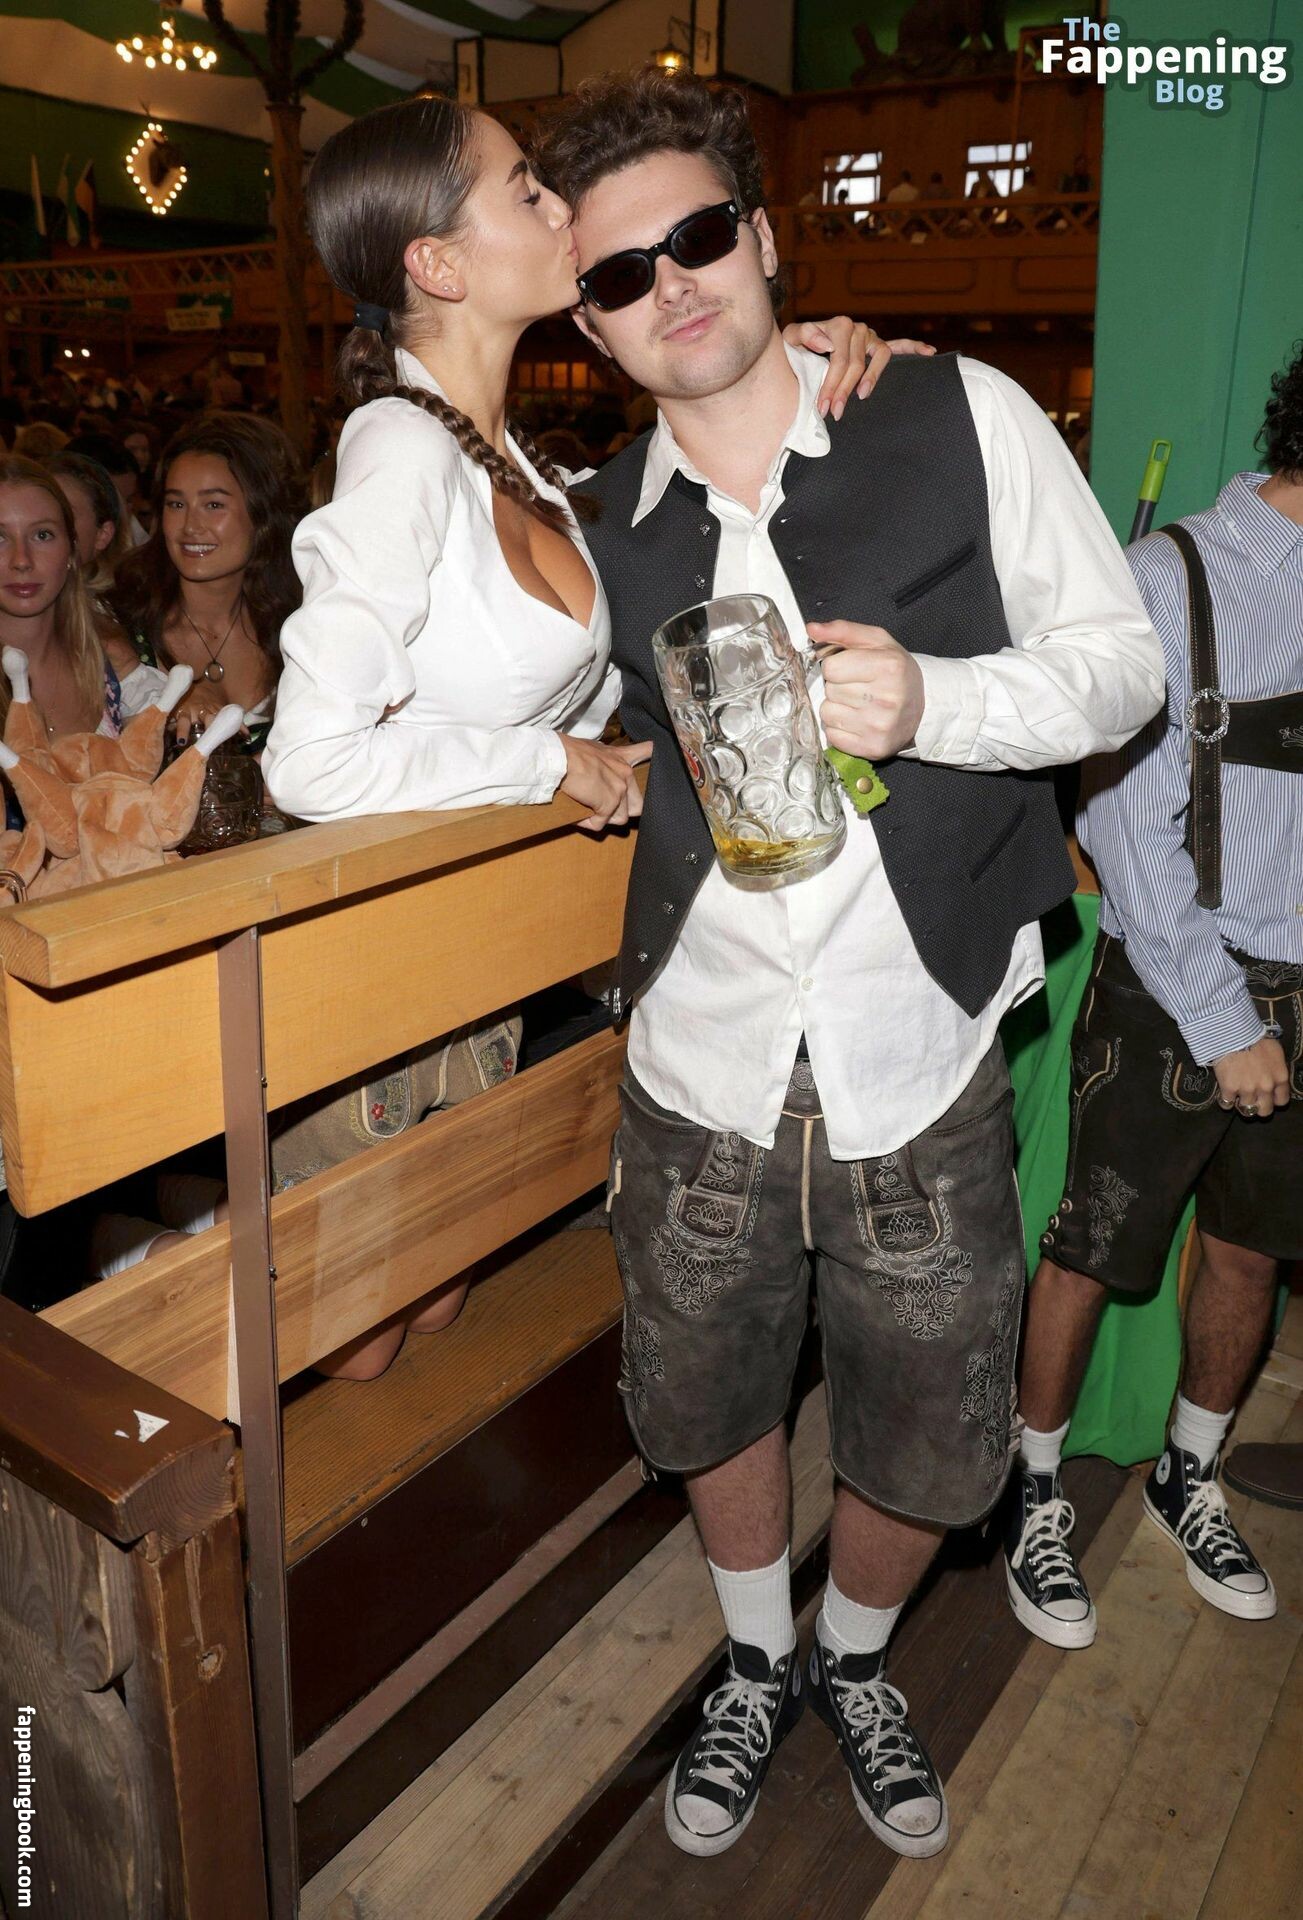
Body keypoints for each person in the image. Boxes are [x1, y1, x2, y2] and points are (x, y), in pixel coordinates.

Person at [534, 66, 1164, 1862]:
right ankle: (756, 1659)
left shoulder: (956, 410)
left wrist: (936, 701)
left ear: (761, 236)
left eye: (696, 236)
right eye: (619, 273)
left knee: (935, 1429)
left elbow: (1119, 664)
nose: (669, 285)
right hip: (698, 1061)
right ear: (588, 324)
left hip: (918, 1050)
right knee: (700, 1397)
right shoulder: (584, 529)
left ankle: (856, 1659)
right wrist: (559, 761)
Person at [261, 91, 898, 1380]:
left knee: (434, 1311)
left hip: (480, 962)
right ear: (438, 265)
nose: (561, 209)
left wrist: (794, 358)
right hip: (369, 968)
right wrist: (547, 764)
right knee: (357, 1347)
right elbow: (310, 756)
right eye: (524, 190)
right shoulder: (397, 448)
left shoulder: (513, 464)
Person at [1005, 341, 1303, 1646]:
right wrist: (1224, 1021)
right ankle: (1029, 1489)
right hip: (1176, 982)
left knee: (1250, 1250)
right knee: (1092, 1247)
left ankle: (1188, 1472)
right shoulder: (1165, 577)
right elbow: (1122, 830)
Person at [112, 413, 303, 749]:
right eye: (176, 504)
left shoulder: (299, 626)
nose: (190, 526)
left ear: (262, 515)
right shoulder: (120, 625)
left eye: (213, 505)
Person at [0, 456, 121, 743]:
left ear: (71, 550)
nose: (22, 561)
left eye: (42, 535)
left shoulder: (110, 665)